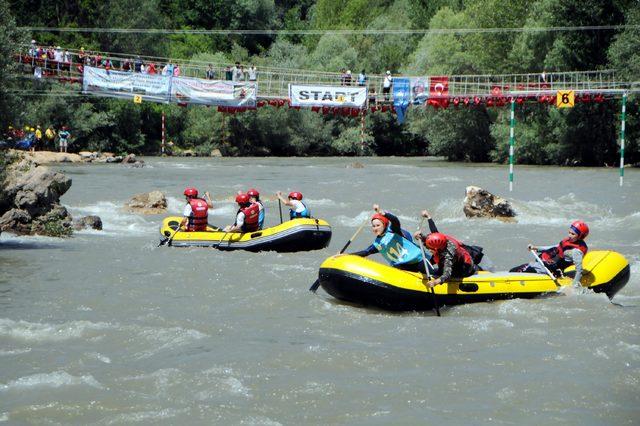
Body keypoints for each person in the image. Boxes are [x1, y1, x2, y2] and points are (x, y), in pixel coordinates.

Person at [349, 204, 428, 273]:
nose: (375, 228)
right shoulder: (378, 244)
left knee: (434, 273)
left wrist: (383, 213)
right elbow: (366, 252)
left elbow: (395, 220)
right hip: (403, 266)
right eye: (373, 226)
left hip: (417, 259)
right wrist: (346, 256)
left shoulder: (393, 231)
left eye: (378, 225)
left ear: (384, 225)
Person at [511, 221, 589, 288]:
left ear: (580, 236)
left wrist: (574, 285)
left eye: (573, 234)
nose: (569, 235)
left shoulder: (577, 251)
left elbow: (579, 270)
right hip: (548, 264)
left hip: (553, 270)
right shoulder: (568, 241)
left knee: (516, 271)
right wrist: (535, 248)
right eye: (569, 232)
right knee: (514, 270)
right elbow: (555, 247)